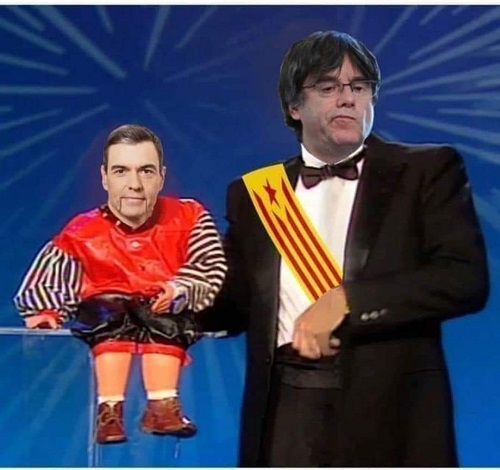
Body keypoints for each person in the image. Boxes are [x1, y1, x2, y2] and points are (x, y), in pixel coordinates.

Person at [200, 31, 489, 466]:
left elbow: (464, 278)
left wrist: (347, 300)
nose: (348, 99)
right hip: (286, 411)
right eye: (328, 87)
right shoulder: (254, 194)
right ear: (294, 106)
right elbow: (232, 305)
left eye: (359, 86)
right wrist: (159, 299)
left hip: (391, 410)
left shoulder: (426, 170)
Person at [14, 124, 227, 444]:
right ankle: (109, 412)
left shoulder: (190, 216)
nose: (134, 184)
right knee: (108, 323)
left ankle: (162, 407)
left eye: (146, 171)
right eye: (121, 171)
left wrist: (179, 288)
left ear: (161, 177)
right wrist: (46, 312)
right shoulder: (81, 231)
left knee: (166, 325)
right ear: (105, 178)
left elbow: (210, 265)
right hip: (107, 311)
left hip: (165, 308)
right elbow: (51, 276)